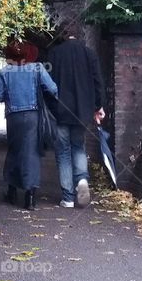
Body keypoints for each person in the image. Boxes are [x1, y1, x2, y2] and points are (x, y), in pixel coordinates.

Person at [0, 41, 58, 210]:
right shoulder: (37, 69)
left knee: (14, 150)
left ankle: (12, 191)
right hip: (33, 116)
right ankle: (30, 197)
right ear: (29, 54)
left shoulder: (3, 72)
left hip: (13, 117)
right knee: (32, 153)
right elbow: (53, 89)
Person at [46, 22, 105, 208]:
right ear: (79, 34)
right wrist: (98, 106)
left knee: (63, 152)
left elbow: (48, 85)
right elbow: (97, 82)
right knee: (78, 147)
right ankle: (81, 179)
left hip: (61, 111)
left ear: (62, 34)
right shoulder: (89, 54)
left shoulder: (54, 54)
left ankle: (68, 198)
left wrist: (50, 107)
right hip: (82, 111)